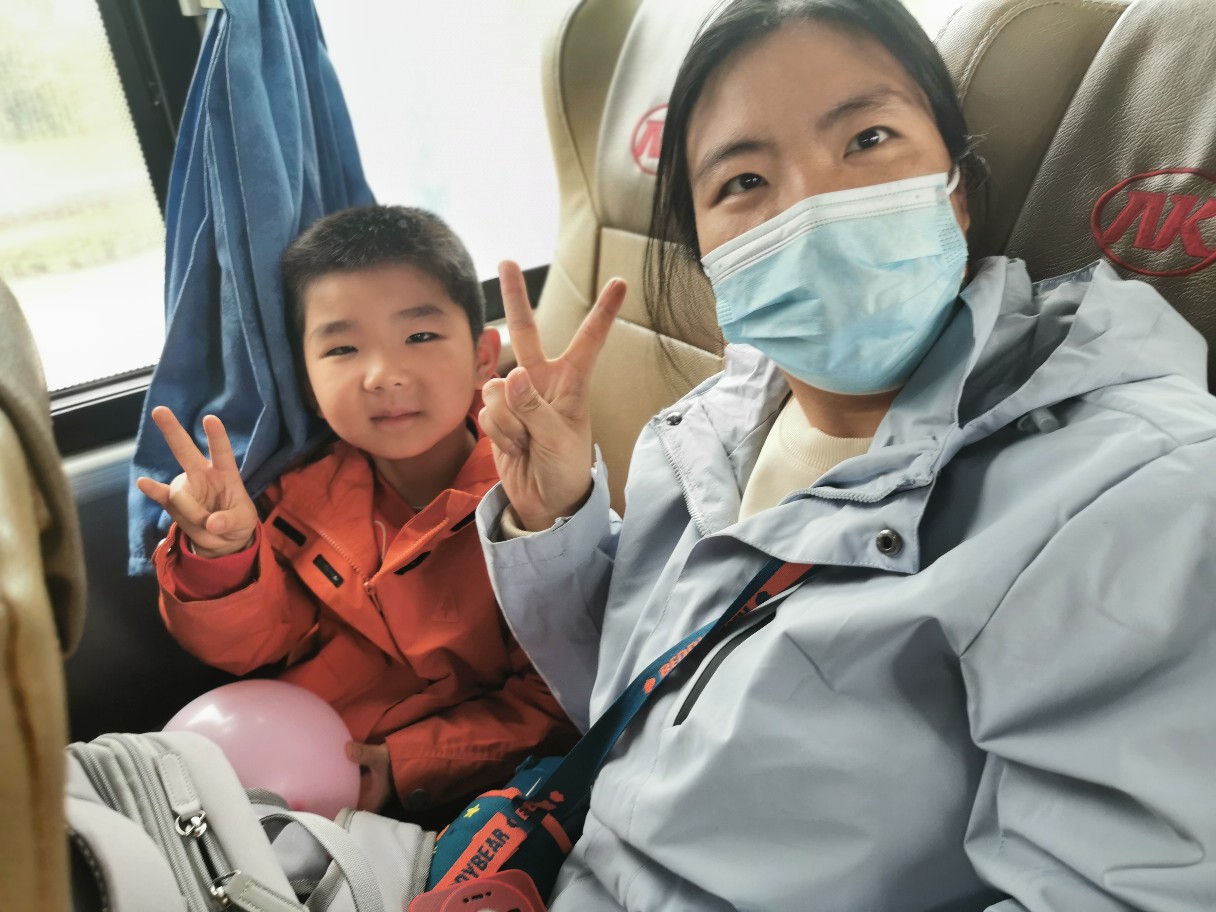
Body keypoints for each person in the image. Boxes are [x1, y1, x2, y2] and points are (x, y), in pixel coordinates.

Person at [474, 1, 1216, 909]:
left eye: (867, 139)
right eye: (744, 181)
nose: (812, 206)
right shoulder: (705, 431)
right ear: (706, 255)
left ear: (958, 187)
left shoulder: (1129, 484)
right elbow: (652, 697)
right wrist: (555, 515)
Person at [137, 205, 578, 822]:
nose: (383, 375)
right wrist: (223, 555)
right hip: (287, 766)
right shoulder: (299, 499)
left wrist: (407, 765)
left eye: (420, 337)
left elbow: (562, 696)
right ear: (309, 386)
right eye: (342, 348)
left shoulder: (536, 498)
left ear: (484, 357)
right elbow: (254, 645)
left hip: (465, 795)